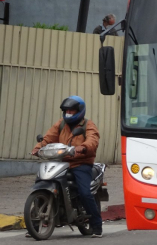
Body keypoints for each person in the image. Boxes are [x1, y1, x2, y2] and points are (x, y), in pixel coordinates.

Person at [31, 96, 103, 237]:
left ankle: (97, 225)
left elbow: (92, 140)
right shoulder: (61, 124)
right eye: (67, 110)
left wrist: (82, 147)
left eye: (72, 110)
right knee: (41, 182)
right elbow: (48, 138)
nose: (69, 113)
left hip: (80, 163)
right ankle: (34, 225)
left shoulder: (88, 125)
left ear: (80, 111)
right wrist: (38, 148)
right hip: (61, 162)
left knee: (84, 193)